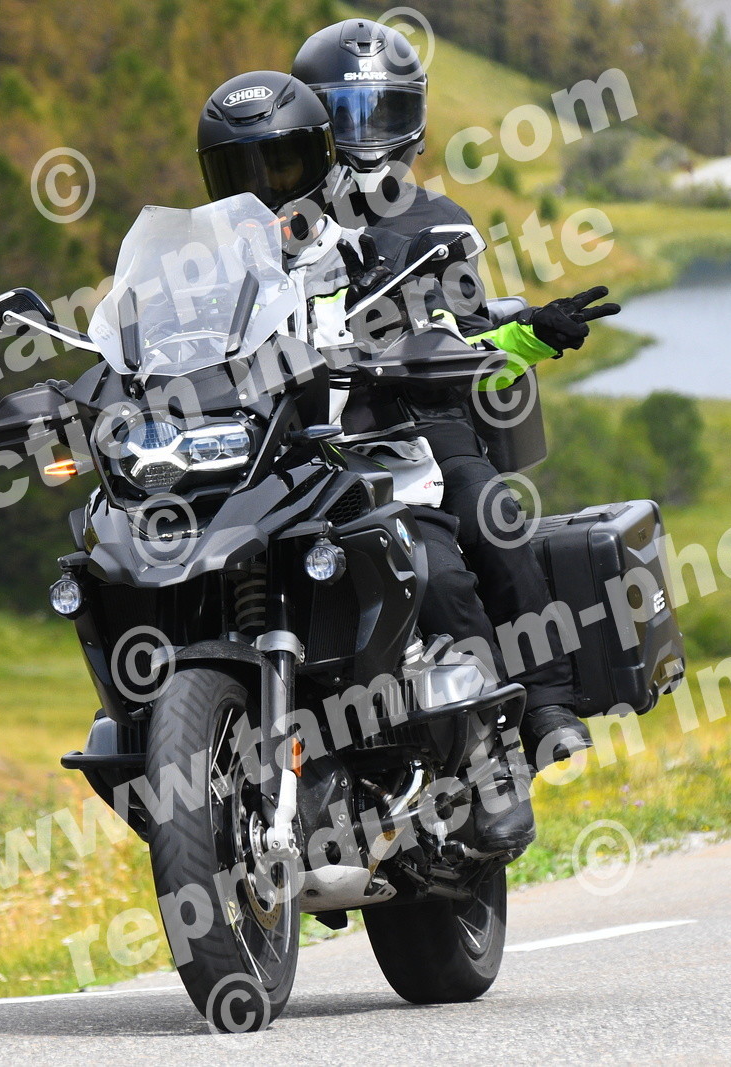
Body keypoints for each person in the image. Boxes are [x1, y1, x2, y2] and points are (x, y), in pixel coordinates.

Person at [197, 70, 534, 855]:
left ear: (319, 158)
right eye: (240, 170)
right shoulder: (207, 265)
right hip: (261, 465)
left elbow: (441, 321)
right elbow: (162, 343)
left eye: (281, 164)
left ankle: (492, 757)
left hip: (369, 450)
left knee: (438, 572)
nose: (265, 187)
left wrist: (435, 342)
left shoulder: (362, 245)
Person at [293, 19, 621, 770]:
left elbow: (473, 345)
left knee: (485, 526)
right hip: (304, 437)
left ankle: (536, 707)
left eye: (379, 112)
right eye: (342, 113)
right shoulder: (277, 228)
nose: (362, 134)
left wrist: (534, 334)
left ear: (411, 122)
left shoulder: (440, 222)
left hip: (421, 425)